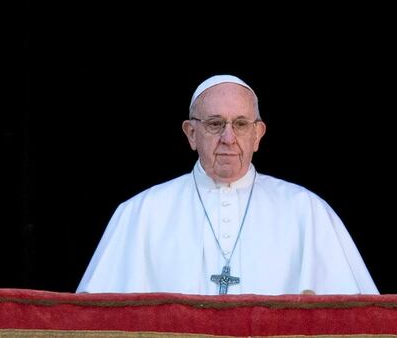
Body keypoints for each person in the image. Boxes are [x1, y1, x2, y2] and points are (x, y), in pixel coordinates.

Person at [77, 74, 378, 295]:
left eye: (241, 124)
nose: (228, 138)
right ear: (191, 133)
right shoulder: (140, 214)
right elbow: (94, 320)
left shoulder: (307, 211)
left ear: (258, 134)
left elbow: (354, 319)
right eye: (214, 124)